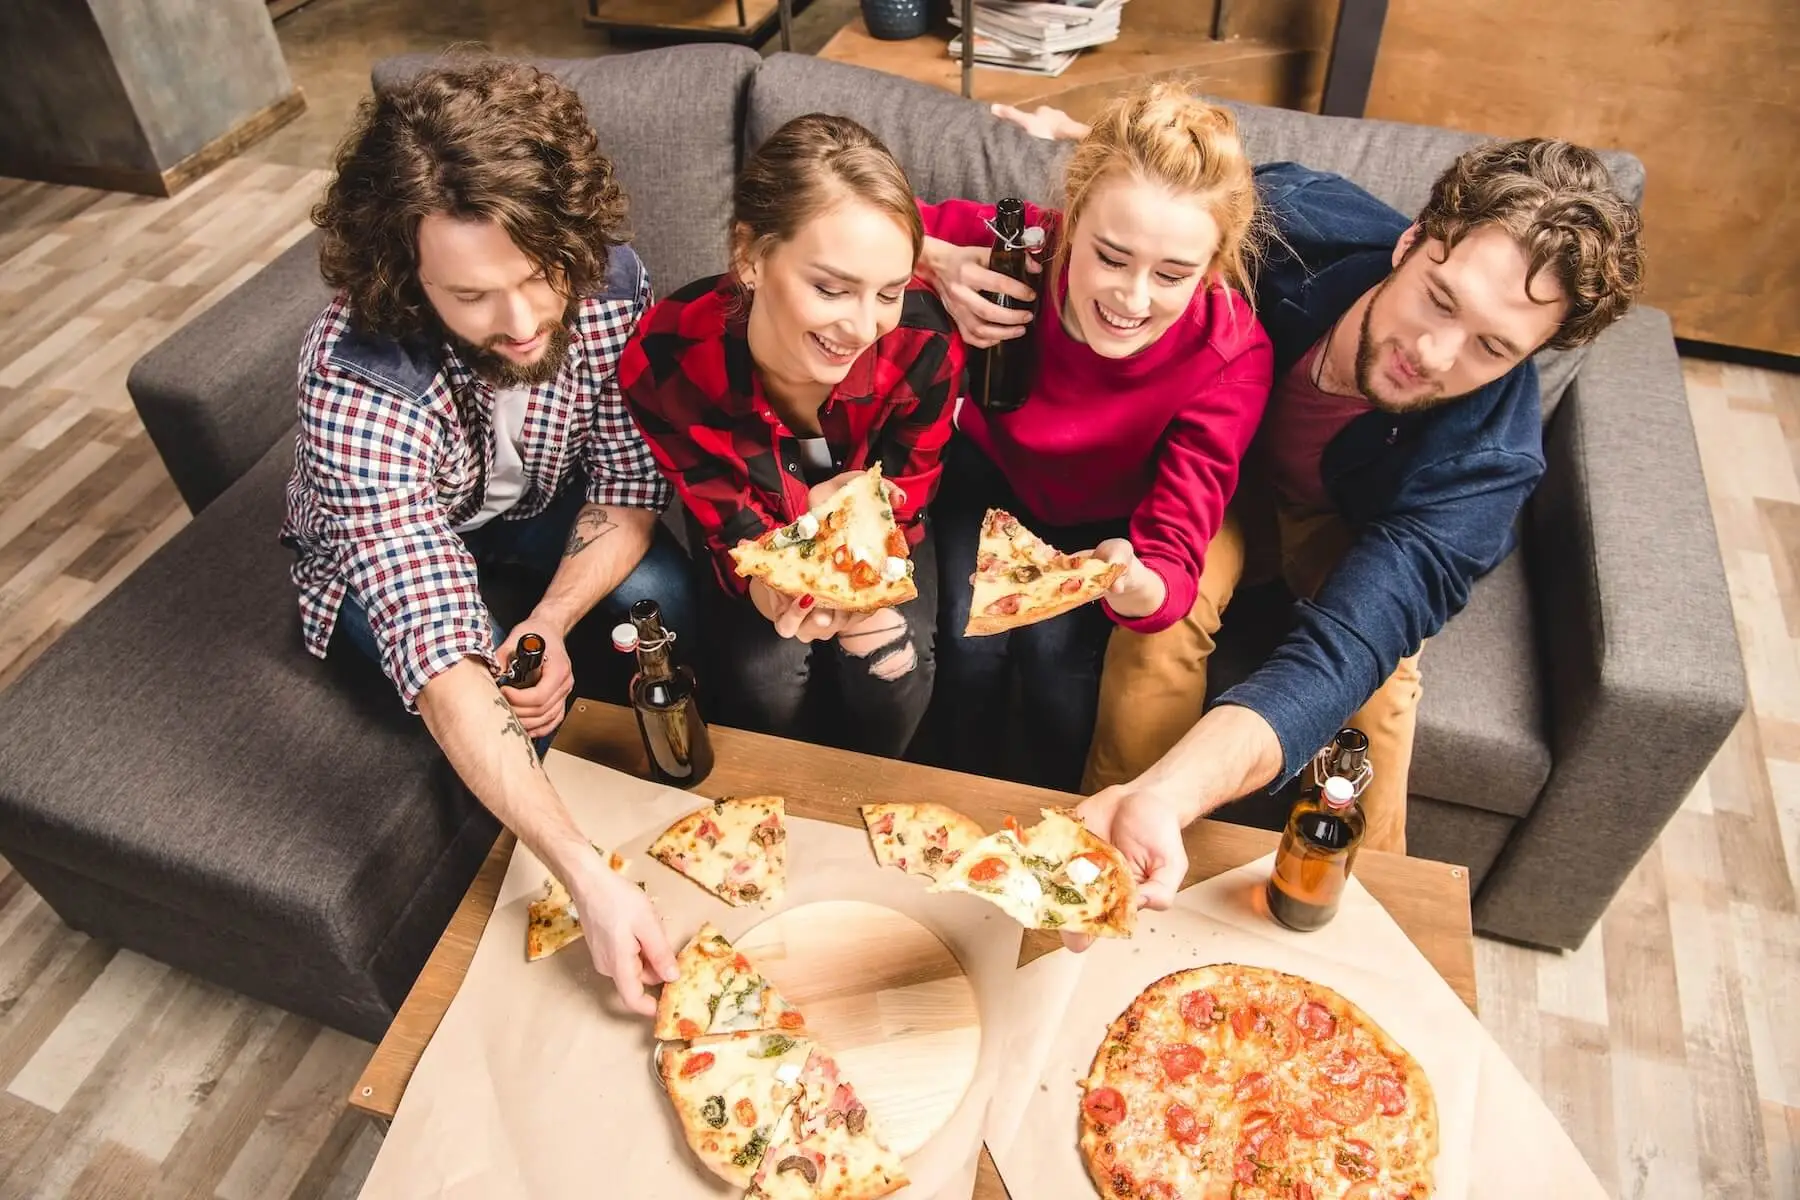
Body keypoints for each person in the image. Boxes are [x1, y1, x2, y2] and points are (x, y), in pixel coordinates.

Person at [996, 103, 1645, 922]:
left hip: (1350, 528)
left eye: (1492, 347)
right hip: (1223, 483)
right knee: (1165, 612)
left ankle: (1366, 919)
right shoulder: (1298, 220)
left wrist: (1176, 789)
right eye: (1440, 300)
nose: (1435, 355)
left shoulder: (1490, 463)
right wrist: (1079, 145)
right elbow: (1181, 195)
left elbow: (1344, 650)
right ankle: (1101, 868)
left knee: (1377, 695)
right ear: (1409, 243)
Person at [281, 58, 694, 1014]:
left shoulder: (609, 281)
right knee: (459, 704)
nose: (521, 322)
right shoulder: (353, 376)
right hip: (376, 552)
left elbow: (628, 488)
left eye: (538, 274)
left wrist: (548, 620)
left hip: (532, 506)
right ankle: (568, 873)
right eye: (469, 296)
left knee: (663, 603)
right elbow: (433, 645)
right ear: (404, 277)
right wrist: (586, 875)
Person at [914, 84, 1273, 791]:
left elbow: (1175, 554)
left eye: (1173, 275)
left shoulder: (1231, 353)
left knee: (1056, 669)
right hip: (987, 474)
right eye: (1110, 258)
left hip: (1106, 522)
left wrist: (1140, 585)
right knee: (965, 641)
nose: (1132, 299)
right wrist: (931, 257)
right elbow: (843, 214)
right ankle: (950, 799)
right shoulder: (1016, 249)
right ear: (1071, 223)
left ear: (1214, 267)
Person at [620, 113, 962, 760]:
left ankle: (870, 797)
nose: (864, 327)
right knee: (764, 677)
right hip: (752, 532)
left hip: (876, 533)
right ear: (749, 256)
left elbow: (907, 491)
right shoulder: (664, 358)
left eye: (889, 292)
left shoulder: (926, 343)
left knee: (892, 668)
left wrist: (856, 558)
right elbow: (731, 527)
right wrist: (775, 580)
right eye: (831, 288)